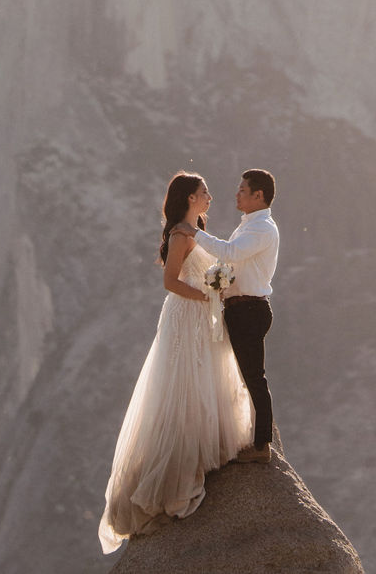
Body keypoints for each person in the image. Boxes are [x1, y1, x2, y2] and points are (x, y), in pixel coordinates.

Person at [98, 172, 252, 554]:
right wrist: (205, 294)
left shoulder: (195, 230)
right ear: (189, 197)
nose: (210, 197)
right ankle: (177, 469)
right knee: (184, 381)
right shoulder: (181, 234)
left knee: (205, 376)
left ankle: (203, 446)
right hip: (186, 314)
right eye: (204, 193)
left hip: (201, 313)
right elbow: (170, 281)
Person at [192, 168, 279, 464]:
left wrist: (193, 232)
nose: (236, 194)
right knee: (239, 374)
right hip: (239, 308)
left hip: (250, 309)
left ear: (259, 195)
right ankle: (248, 434)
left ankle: (262, 444)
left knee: (254, 376)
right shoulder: (248, 226)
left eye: (243, 190)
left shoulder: (263, 228)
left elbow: (229, 253)